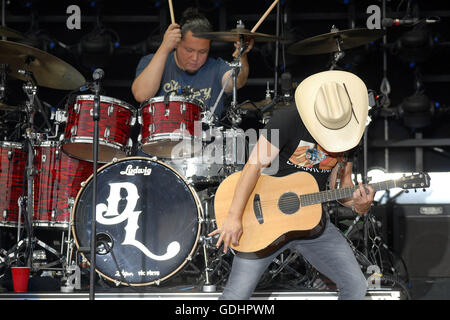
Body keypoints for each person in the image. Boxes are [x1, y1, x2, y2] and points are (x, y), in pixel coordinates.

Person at [209, 70, 376, 300]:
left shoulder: (350, 133)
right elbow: (253, 166)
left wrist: (360, 205)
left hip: (312, 224)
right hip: (264, 219)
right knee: (235, 298)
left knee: (356, 286)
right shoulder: (289, 119)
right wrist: (234, 217)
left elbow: (341, 188)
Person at [131, 7, 253, 118]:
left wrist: (242, 54)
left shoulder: (216, 68)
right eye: (189, 50)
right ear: (177, 44)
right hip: (163, 140)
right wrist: (164, 47)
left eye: (202, 51)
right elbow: (141, 95)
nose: (195, 58)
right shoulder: (153, 61)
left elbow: (237, 81)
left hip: (206, 140)